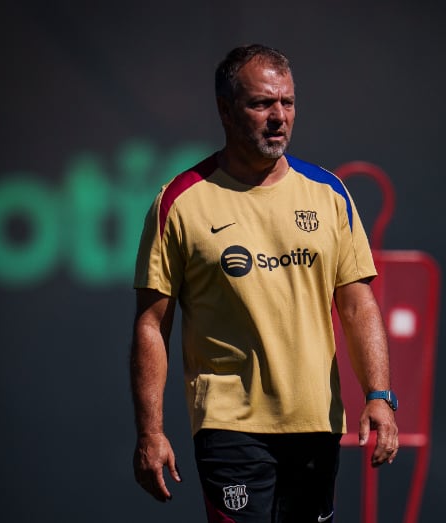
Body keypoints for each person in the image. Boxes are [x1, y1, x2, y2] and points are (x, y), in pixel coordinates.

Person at [130, 43, 399, 523]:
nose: (278, 116)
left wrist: (378, 395)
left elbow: (358, 306)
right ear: (226, 111)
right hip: (229, 426)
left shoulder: (329, 193)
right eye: (261, 104)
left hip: (316, 423)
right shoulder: (182, 201)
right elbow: (152, 326)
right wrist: (151, 432)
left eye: (287, 102)